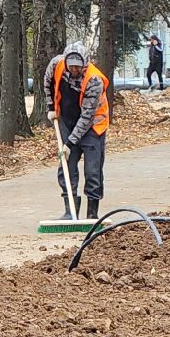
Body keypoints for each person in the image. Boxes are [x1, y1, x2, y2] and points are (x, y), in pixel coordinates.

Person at [45, 42, 109, 219]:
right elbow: (48, 82)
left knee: (93, 171)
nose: (74, 69)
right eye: (71, 65)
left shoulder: (94, 80)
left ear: (85, 64)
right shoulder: (56, 64)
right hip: (67, 121)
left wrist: (70, 143)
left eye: (78, 66)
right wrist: (51, 107)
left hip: (93, 127)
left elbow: (87, 117)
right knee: (66, 167)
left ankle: (92, 215)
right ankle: (70, 211)